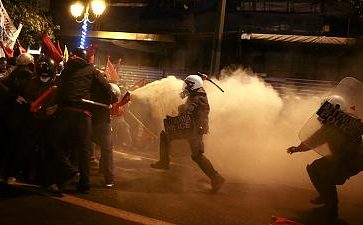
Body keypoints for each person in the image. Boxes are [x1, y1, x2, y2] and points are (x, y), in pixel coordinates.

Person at [48, 48, 117, 193]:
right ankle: (84, 184)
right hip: (84, 115)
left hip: (66, 112)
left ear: (74, 57)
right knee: (84, 149)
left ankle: (68, 173)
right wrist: (110, 100)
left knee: (55, 144)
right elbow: (107, 90)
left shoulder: (67, 70)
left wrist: (55, 105)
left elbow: (59, 88)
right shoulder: (92, 70)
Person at [287, 95, 363, 222]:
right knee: (323, 170)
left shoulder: (331, 127)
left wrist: (298, 148)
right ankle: (327, 197)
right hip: (353, 159)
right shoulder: (353, 122)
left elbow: (315, 140)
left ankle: (331, 207)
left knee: (316, 170)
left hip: (348, 160)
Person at [151, 74, 225, 193]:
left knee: (197, 155)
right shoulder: (198, 94)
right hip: (191, 129)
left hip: (194, 130)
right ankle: (165, 162)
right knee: (167, 136)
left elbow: (188, 110)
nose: (185, 88)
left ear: (192, 86)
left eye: (187, 86)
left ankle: (216, 178)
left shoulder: (198, 98)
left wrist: (182, 107)